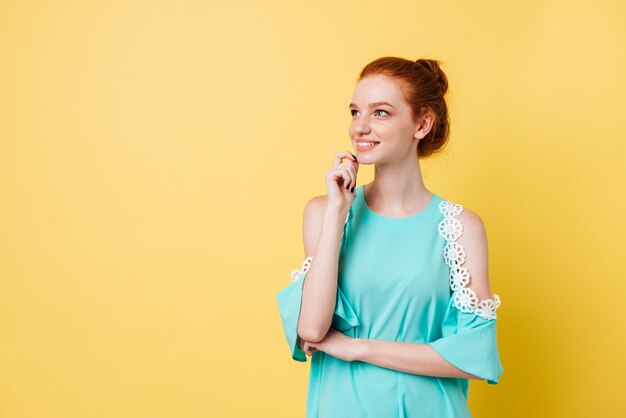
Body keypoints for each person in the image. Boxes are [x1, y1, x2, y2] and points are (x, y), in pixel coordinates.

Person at [276, 56, 503, 418]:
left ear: (422, 124)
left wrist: (357, 348)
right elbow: (311, 329)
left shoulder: (461, 227)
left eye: (380, 113)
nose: (360, 128)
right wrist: (338, 212)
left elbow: (474, 358)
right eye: (354, 112)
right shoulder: (324, 212)